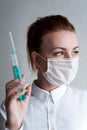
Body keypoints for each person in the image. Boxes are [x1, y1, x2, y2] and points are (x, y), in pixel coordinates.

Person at [0, 14, 87, 130]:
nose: (70, 60)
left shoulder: (84, 101)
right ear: (37, 59)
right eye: (59, 53)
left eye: (75, 52)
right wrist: (14, 125)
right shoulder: (10, 107)